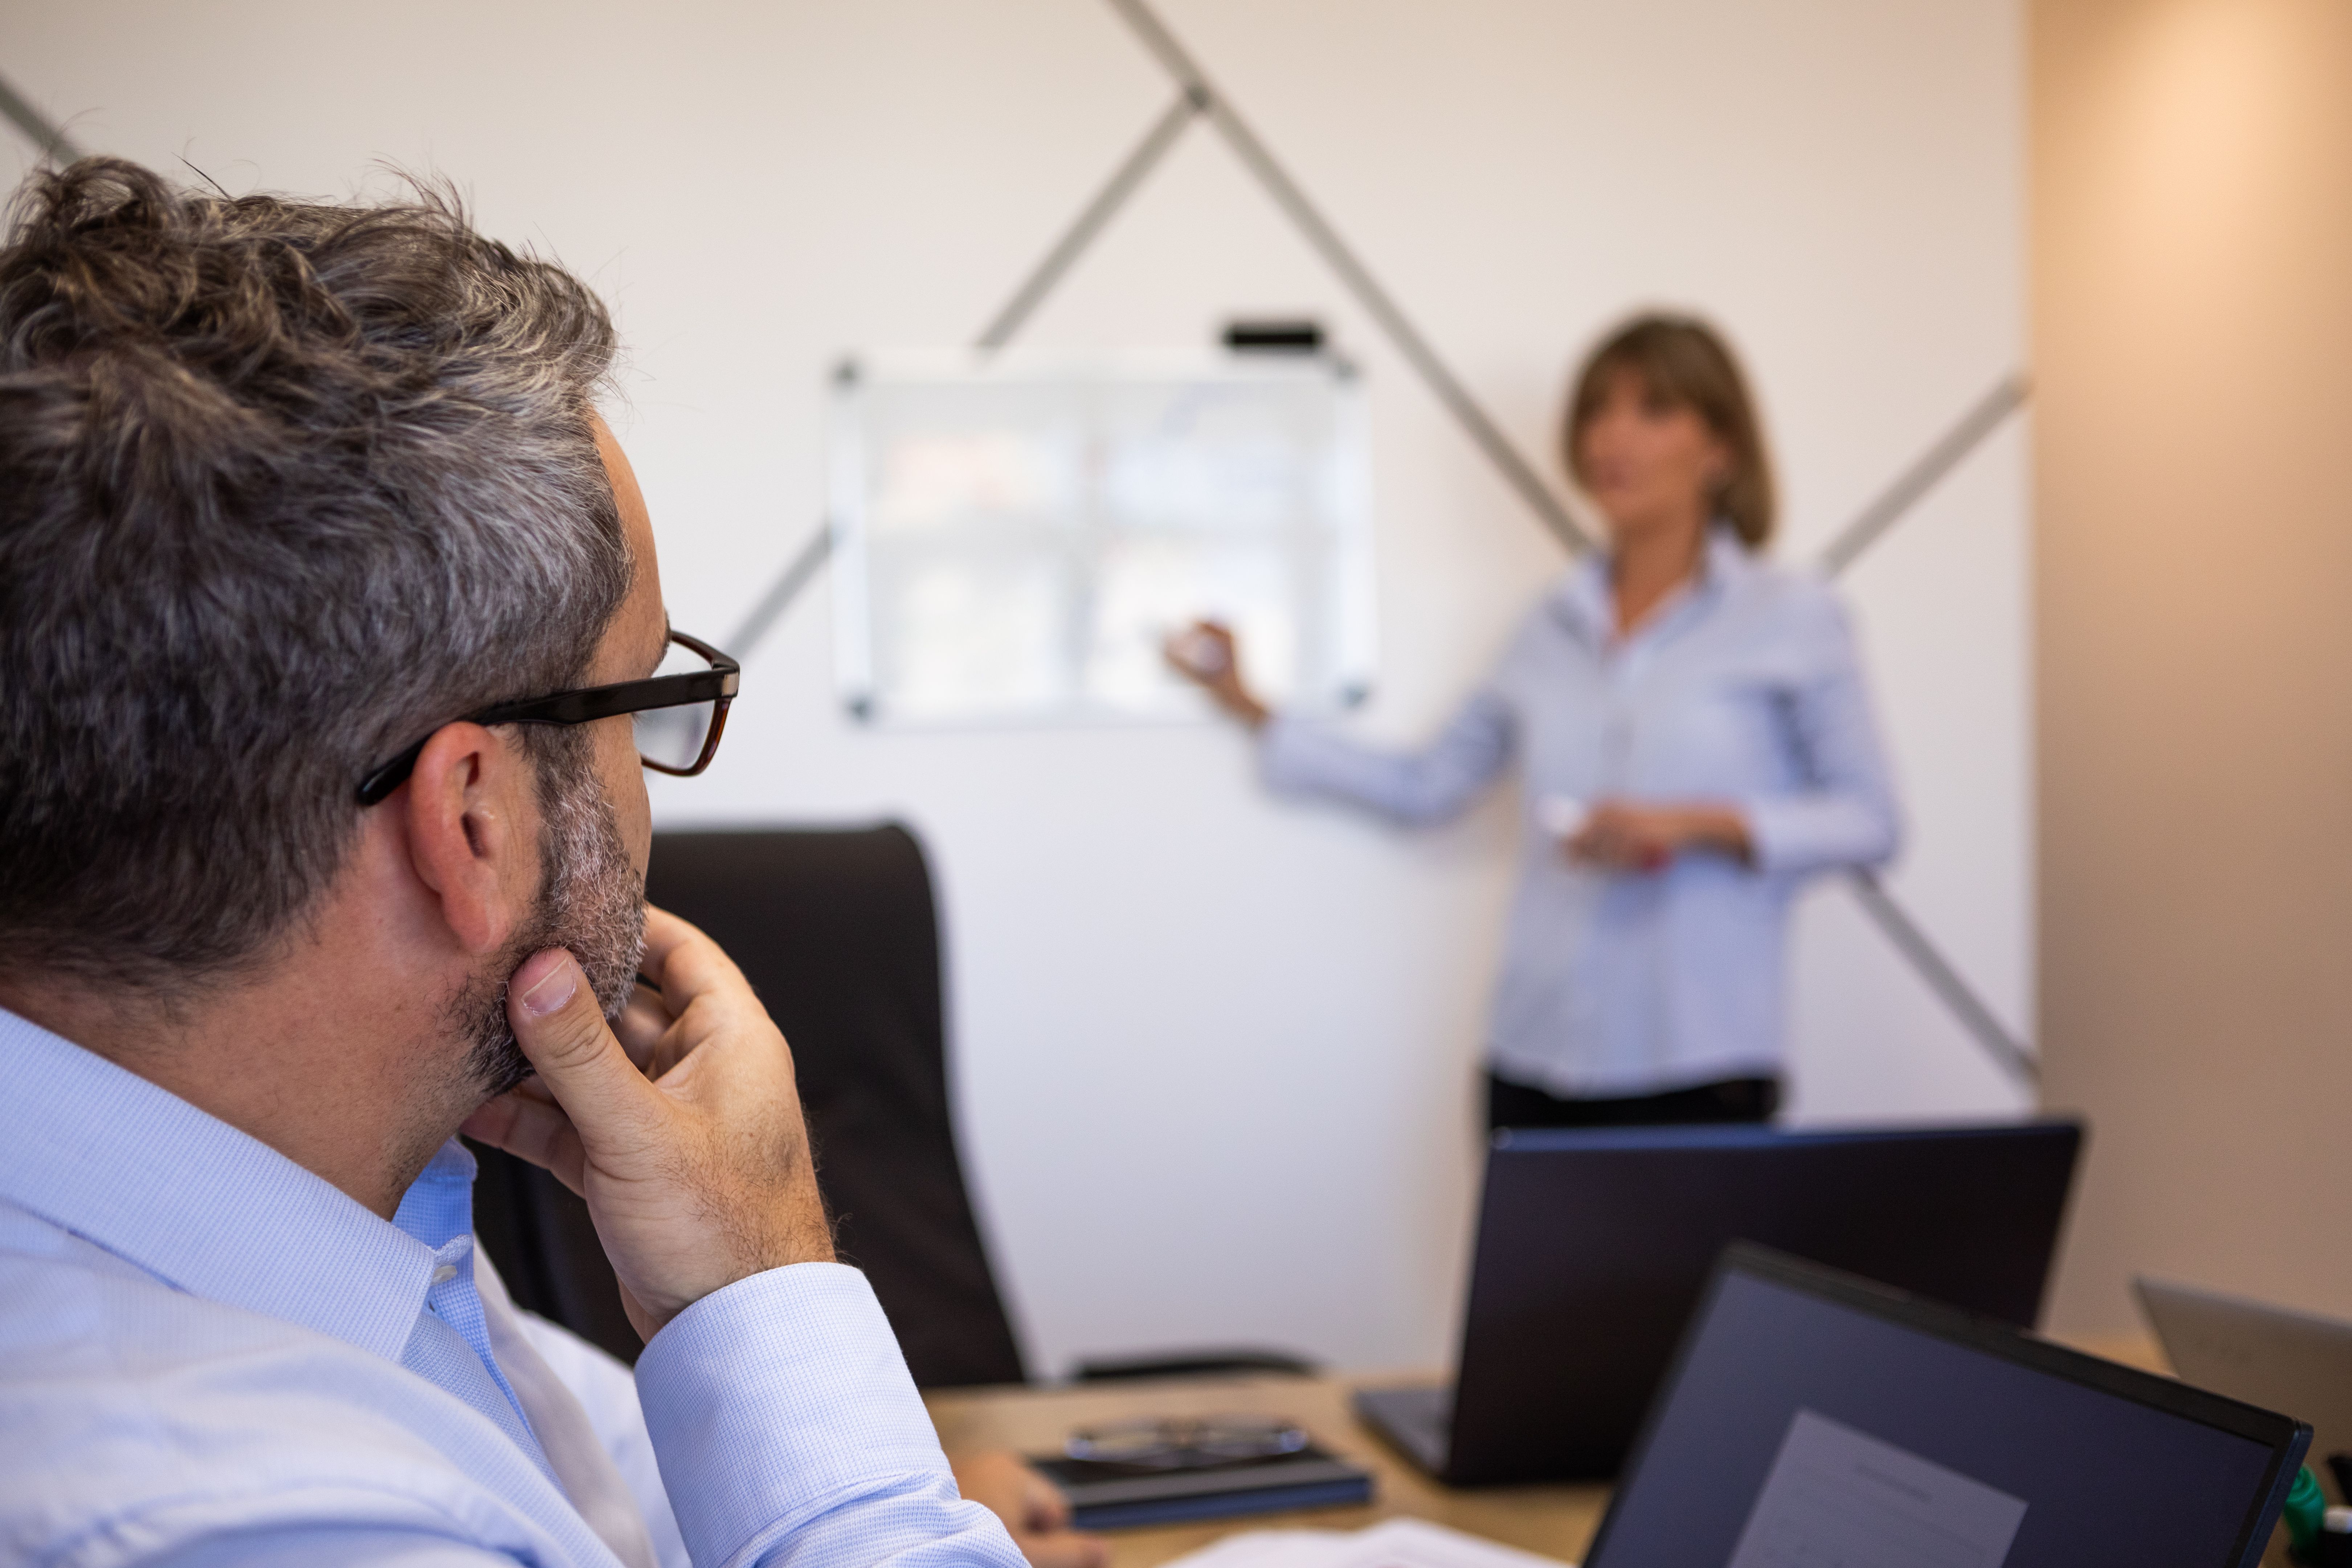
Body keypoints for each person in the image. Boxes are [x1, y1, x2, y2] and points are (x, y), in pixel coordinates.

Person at [0, 158, 1100, 1568]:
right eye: (639, 704)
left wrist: (886, 1496)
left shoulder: (291, 1208)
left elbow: (572, 1475)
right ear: (473, 817)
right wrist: (770, 1290)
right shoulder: (235, 1518)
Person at [1169, 315, 1900, 1130]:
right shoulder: (1547, 624)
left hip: (1701, 1067)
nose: (1611, 437)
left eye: (1653, 410)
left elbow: (1871, 821)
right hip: (1535, 1060)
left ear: (1721, 448)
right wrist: (1254, 709)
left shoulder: (1792, 616)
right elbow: (1427, 785)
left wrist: (1693, 824)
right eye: (1597, 411)